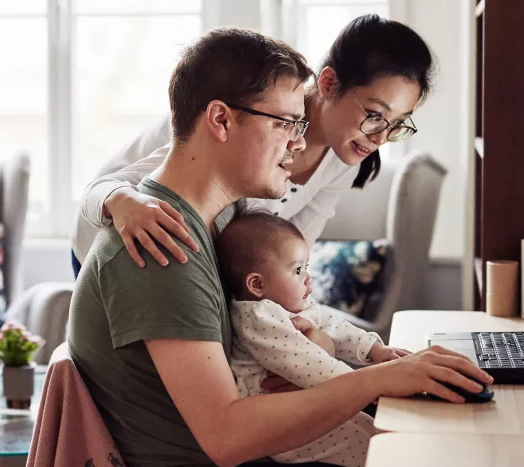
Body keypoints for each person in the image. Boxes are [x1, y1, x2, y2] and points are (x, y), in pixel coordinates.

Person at [67, 27, 492, 467]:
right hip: (110, 226)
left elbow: (288, 268)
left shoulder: (228, 221)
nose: (297, 142)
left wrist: (326, 348)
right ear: (222, 121)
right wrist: (377, 379)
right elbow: (226, 436)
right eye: (287, 124)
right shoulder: (164, 237)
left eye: (300, 126)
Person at [70, 14, 436, 276]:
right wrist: (122, 202)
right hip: (105, 236)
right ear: (328, 84)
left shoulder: (343, 159)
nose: (380, 138)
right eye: (374, 114)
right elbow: (99, 189)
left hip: (182, 255)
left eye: (397, 125)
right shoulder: (245, 117)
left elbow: (292, 250)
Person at [216, 209, 409, 467]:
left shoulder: (293, 306)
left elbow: (334, 327)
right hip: (283, 427)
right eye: (297, 270)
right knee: (375, 444)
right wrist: (371, 386)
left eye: (306, 267)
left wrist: (374, 350)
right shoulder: (259, 317)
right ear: (257, 285)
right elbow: (309, 364)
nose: (308, 277)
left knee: (382, 432)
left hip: (311, 402)